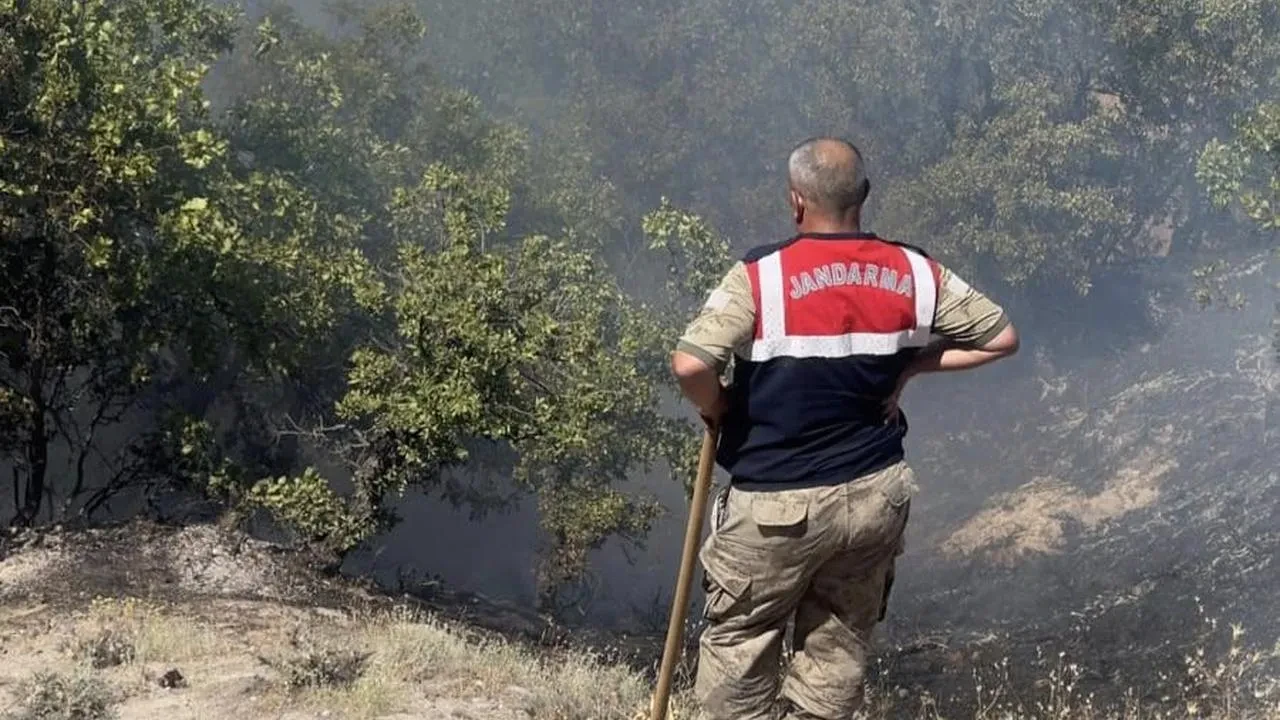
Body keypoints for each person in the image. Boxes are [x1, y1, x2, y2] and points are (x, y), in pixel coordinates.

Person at [670, 137, 1020, 720]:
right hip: (875, 496)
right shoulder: (916, 272)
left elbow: (691, 364)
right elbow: (1000, 337)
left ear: (796, 201)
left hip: (777, 503)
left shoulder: (761, 277)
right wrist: (911, 365)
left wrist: (721, 406)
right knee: (838, 647)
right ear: (864, 195)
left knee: (740, 646)